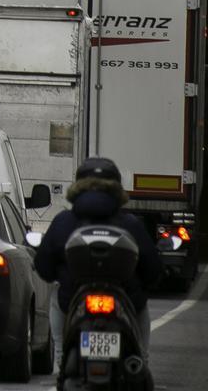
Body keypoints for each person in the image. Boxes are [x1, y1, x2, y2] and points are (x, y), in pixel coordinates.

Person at [35, 157, 162, 374]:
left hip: (73, 299)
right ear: (117, 190)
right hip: (125, 299)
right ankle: (139, 361)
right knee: (139, 358)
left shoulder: (63, 221)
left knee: (57, 297)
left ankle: (62, 360)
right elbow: (153, 271)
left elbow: (44, 268)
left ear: (77, 188)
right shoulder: (131, 224)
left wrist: (63, 275)